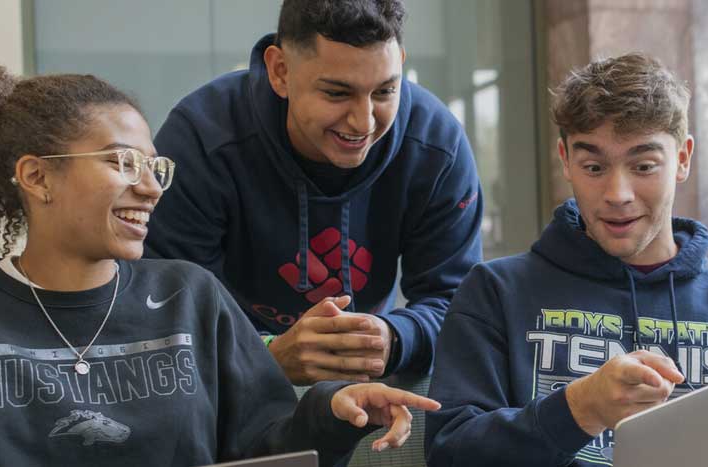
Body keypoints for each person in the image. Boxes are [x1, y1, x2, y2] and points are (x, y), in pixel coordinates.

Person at [0, 61, 439, 467]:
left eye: (156, 168)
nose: (150, 188)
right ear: (37, 176)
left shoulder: (192, 296)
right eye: (123, 163)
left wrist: (331, 412)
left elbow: (262, 448)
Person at [423, 54, 708, 467]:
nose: (618, 193)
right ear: (565, 160)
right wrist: (579, 410)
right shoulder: (495, 293)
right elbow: (449, 451)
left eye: (643, 165)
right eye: (593, 166)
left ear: (682, 159)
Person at [145, 0, 482, 385]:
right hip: (224, 383)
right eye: (338, 93)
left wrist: (393, 337)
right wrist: (267, 353)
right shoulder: (202, 139)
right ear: (281, 71)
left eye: (385, 91)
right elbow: (166, 310)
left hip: (366, 381)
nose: (364, 122)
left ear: (401, 62)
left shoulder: (436, 145)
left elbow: (462, 308)